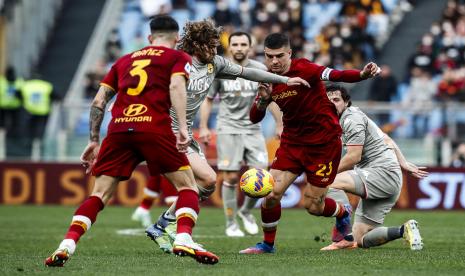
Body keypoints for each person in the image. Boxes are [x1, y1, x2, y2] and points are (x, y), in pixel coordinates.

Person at [45, 15, 219, 266]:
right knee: (188, 188)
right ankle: (183, 237)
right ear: (176, 39)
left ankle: (67, 244)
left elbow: (98, 102)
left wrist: (94, 140)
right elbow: (176, 88)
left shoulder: (124, 61)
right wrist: (182, 127)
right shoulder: (177, 57)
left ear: (149, 38)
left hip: (118, 129)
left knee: (99, 195)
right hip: (155, 128)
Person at [145, 19, 308, 253]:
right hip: (165, 132)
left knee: (205, 185)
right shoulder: (178, 62)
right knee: (209, 179)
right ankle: (177, 231)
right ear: (196, 44)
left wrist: (284, 80)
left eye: (215, 46)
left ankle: (162, 225)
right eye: (210, 46)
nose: (214, 50)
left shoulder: (216, 64)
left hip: (185, 134)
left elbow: (249, 72)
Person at [239, 33, 381, 254]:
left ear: (289, 54)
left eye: (279, 56)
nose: (274, 61)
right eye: (269, 56)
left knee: (313, 206)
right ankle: (267, 244)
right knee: (270, 194)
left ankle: (342, 213)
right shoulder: (267, 79)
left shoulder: (307, 69)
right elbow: (254, 118)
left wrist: (362, 74)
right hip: (292, 144)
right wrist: (264, 100)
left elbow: (337, 73)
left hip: (323, 145)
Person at [321, 85, 427, 251]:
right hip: (388, 176)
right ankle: (404, 230)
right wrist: (403, 163)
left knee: (329, 181)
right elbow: (386, 139)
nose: (331, 103)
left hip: (381, 173)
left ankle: (344, 232)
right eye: (327, 100)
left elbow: (353, 157)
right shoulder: (350, 117)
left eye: (336, 100)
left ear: (346, 102)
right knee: (361, 239)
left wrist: (326, 173)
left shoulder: (350, 119)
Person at [199, 31, 283, 237]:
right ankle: (230, 222)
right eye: (234, 44)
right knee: (230, 176)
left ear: (250, 47)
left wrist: (280, 124)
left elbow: (269, 99)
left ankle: (245, 212)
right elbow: (208, 99)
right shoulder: (220, 69)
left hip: (253, 128)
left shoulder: (260, 69)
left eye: (243, 44)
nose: (238, 48)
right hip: (228, 128)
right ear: (229, 46)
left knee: (262, 176)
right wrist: (203, 127)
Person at [0, 66, 23, 138]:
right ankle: (13, 135)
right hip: (15, 105)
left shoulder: (1, 81)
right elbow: (22, 94)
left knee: (2, 121)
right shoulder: (19, 81)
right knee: (15, 121)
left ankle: (3, 134)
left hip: (3, 105)